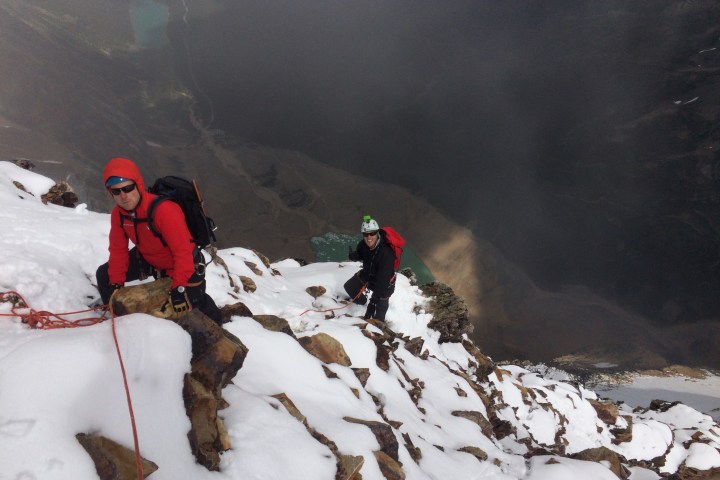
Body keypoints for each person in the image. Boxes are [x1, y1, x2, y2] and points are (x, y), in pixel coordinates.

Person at [95, 157, 222, 324]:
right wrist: (116, 283)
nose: (123, 196)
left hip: (184, 265)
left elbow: (183, 251)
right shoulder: (118, 215)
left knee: (195, 303)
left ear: (138, 184)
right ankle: (118, 321)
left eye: (128, 188)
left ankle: (220, 323)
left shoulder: (164, 210)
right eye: (116, 191)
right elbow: (118, 251)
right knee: (104, 275)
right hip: (150, 260)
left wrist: (179, 287)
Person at [344, 215, 396, 321]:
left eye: (372, 233)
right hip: (368, 274)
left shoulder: (386, 253)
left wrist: (372, 303)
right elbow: (361, 253)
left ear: (377, 233)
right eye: (366, 234)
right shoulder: (363, 244)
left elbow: (382, 281)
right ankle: (361, 302)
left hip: (385, 284)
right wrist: (353, 256)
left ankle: (378, 328)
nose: (369, 237)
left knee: (379, 313)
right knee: (349, 286)